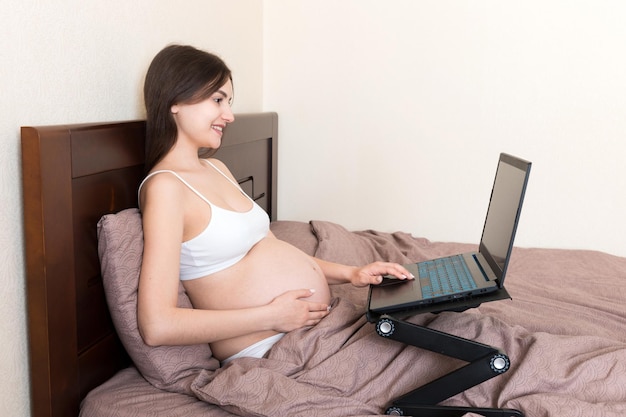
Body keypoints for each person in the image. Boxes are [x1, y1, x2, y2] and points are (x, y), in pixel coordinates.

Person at [137, 44, 414, 364]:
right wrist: (271, 316)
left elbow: (266, 246)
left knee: (427, 332)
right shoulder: (166, 188)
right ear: (175, 102)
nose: (228, 115)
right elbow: (156, 325)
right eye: (217, 100)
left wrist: (353, 273)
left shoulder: (217, 168)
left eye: (228, 101)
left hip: (303, 328)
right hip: (266, 347)